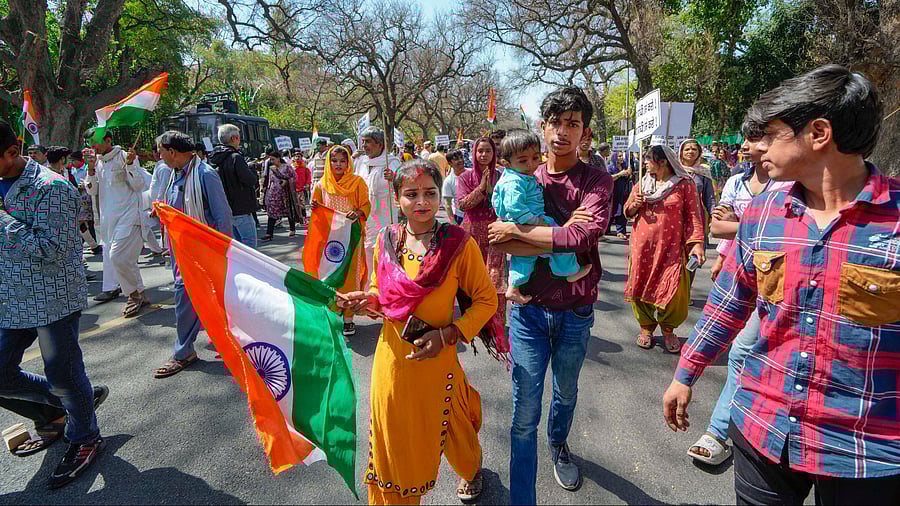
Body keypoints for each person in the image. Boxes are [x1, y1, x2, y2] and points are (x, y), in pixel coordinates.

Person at [663, 65, 900, 505]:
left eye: (769, 135)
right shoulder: (764, 211)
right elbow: (728, 302)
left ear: (819, 133)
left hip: (868, 454)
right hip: (763, 430)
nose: (755, 148)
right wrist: (686, 372)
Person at [337, 159, 497, 505]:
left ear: (441, 196)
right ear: (398, 200)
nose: (422, 202)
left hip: (438, 364)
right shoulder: (386, 241)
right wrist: (367, 299)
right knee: (393, 444)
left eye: (430, 193)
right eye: (412, 194)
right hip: (392, 363)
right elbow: (382, 293)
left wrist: (449, 334)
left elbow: (486, 301)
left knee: (454, 431)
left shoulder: (458, 244)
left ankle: (471, 471)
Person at [487, 87, 613, 503]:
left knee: (565, 392)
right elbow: (500, 241)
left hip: (576, 311)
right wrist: (557, 237)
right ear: (542, 127)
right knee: (524, 415)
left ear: (585, 132)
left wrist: (522, 234)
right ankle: (523, 498)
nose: (562, 131)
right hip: (527, 312)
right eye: (555, 122)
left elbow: (583, 235)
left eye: (572, 124)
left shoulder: (596, 180)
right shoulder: (522, 175)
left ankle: (559, 444)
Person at [0, 120, 108, 489]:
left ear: (13, 153)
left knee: (63, 373)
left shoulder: (53, 188)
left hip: (51, 298)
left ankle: (84, 436)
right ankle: (74, 403)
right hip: (9, 298)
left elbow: (53, 249)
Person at [685, 133, 793, 466]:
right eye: (745, 138)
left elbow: (777, 230)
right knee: (742, 350)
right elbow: (718, 227)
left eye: (759, 136)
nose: (747, 145)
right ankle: (720, 431)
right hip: (747, 270)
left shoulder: (792, 187)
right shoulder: (736, 181)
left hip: (784, 282)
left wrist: (739, 224)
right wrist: (685, 374)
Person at [152, 131, 232, 378]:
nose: (160, 157)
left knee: (187, 297)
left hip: (202, 251)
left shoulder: (205, 175)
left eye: (161, 152)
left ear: (172, 152)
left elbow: (222, 216)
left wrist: (222, 251)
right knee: (189, 296)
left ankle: (184, 351)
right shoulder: (173, 175)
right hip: (181, 250)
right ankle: (210, 344)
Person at [492, 129, 592, 305]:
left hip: (520, 222)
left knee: (523, 259)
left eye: (535, 158)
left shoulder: (522, 176)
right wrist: (535, 222)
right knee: (560, 237)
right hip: (530, 219)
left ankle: (513, 287)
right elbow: (514, 207)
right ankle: (568, 270)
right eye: (523, 160)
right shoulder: (513, 181)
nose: (531, 164)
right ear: (506, 163)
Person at [624, 145, 705, 353]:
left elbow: (694, 215)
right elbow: (627, 211)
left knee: (675, 290)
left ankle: (668, 329)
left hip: (672, 248)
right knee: (640, 285)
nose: (644, 163)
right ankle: (646, 328)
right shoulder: (643, 182)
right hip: (642, 247)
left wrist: (696, 243)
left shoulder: (684, 184)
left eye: (649, 159)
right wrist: (635, 203)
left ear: (663, 162)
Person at [84, 131, 149, 317]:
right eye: (89, 143)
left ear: (108, 140)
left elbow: (139, 185)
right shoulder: (96, 162)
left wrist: (129, 164)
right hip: (107, 221)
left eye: (95, 142)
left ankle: (133, 294)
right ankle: (140, 293)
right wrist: (90, 169)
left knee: (118, 257)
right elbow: (92, 191)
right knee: (125, 259)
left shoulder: (124, 156)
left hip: (129, 217)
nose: (93, 146)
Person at [455, 136, 507, 354]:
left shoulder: (503, 176)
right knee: (473, 278)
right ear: (474, 154)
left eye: (488, 151)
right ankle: (475, 323)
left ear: (494, 154)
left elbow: (507, 204)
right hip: (472, 232)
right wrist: (482, 188)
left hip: (496, 231)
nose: (484, 155)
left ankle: (497, 326)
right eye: (480, 151)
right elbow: (463, 204)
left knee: (495, 276)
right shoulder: (465, 177)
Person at [311, 145, 370, 337]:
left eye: (342, 161)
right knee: (331, 274)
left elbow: (366, 205)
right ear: (328, 162)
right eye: (334, 160)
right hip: (331, 240)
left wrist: (358, 213)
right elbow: (317, 210)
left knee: (350, 276)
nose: (338, 164)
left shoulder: (357, 182)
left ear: (348, 163)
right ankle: (334, 315)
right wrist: (314, 206)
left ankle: (348, 319)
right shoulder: (321, 185)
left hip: (351, 236)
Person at [355, 126, 402, 276]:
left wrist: (394, 178)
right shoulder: (361, 162)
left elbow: (405, 185)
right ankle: (369, 287)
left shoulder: (392, 162)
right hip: (366, 215)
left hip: (385, 215)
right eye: (363, 142)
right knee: (366, 250)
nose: (364, 146)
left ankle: (385, 284)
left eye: (368, 142)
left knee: (384, 249)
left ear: (380, 144)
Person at [209, 124, 259, 248]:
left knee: (237, 247)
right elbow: (250, 180)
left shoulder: (214, 159)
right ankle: (249, 268)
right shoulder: (235, 157)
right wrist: (252, 168)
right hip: (241, 207)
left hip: (225, 209)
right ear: (234, 138)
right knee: (250, 246)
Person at [678, 138, 716, 252]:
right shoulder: (673, 171)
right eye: (687, 149)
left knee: (694, 252)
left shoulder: (703, 172)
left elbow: (709, 198)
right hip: (676, 214)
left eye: (694, 149)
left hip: (697, 215)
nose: (691, 151)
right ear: (681, 152)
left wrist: (714, 215)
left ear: (699, 152)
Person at [260, 146, 298, 241]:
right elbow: (270, 181)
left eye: (273, 159)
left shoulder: (287, 167)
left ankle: (292, 229)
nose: (272, 161)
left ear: (278, 158)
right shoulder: (272, 168)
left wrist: (286, 181)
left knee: (289, 211)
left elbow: (295, 177)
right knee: (271, 212)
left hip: (285, 194)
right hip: (274, 194)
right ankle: (269, 233)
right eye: (271, 159)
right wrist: (267, 193)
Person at [606, 151, 633, 239]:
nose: (621, 158)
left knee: (621, 212)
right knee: (610, 211)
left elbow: (628, 179)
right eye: (619, 156)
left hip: (623, 193)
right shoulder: (610, 167)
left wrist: (629, 173)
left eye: (622, 156)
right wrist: (619, 174)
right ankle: (606, 229)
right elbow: (609, 179)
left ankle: (621, 231)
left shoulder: (625, 167)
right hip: (613, 193)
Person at [441, 149, 466, 225]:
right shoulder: (448, 181)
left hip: (476, 216)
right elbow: (447, 204)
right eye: (456, 159)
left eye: (461, 157)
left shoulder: (472, 173)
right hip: (460, 218)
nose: (460, 160)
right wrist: (453, 222)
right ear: (450, 163)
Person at [292, 147, 311, 226]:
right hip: (294, 188)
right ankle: (298, 220)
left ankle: (304, 219)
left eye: (299, 156)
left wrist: (307, 184)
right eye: (296, 156)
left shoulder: (305, 166)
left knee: (302, 205)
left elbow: (308, 175)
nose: (297, 157)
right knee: (296, 205)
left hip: (302, 189)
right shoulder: (292, 166)